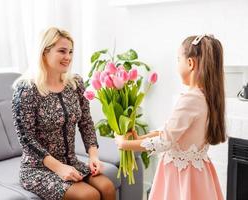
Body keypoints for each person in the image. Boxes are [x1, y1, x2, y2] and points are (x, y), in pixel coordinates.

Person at [115, 34, 225, 200]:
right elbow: (172, 131)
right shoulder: (207, 96)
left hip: (180, 176)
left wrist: (124, 144)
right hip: (199, 175)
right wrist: (144, 137)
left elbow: (165, 141)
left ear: (190, 63)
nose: (177, 64)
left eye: (178, 59)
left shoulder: (191, 99)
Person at [12, 27, 115, 200]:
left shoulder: (74, 84)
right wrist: (59, 168)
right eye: (62, 51)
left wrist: (93, 156)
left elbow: (86, 122)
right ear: (45, 52)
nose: (68, 57)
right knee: (87, 196)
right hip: (38, 169)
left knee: (107, 187)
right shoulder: (26, 90)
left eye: (70, 52)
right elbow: (26, 138)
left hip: (71, 162)